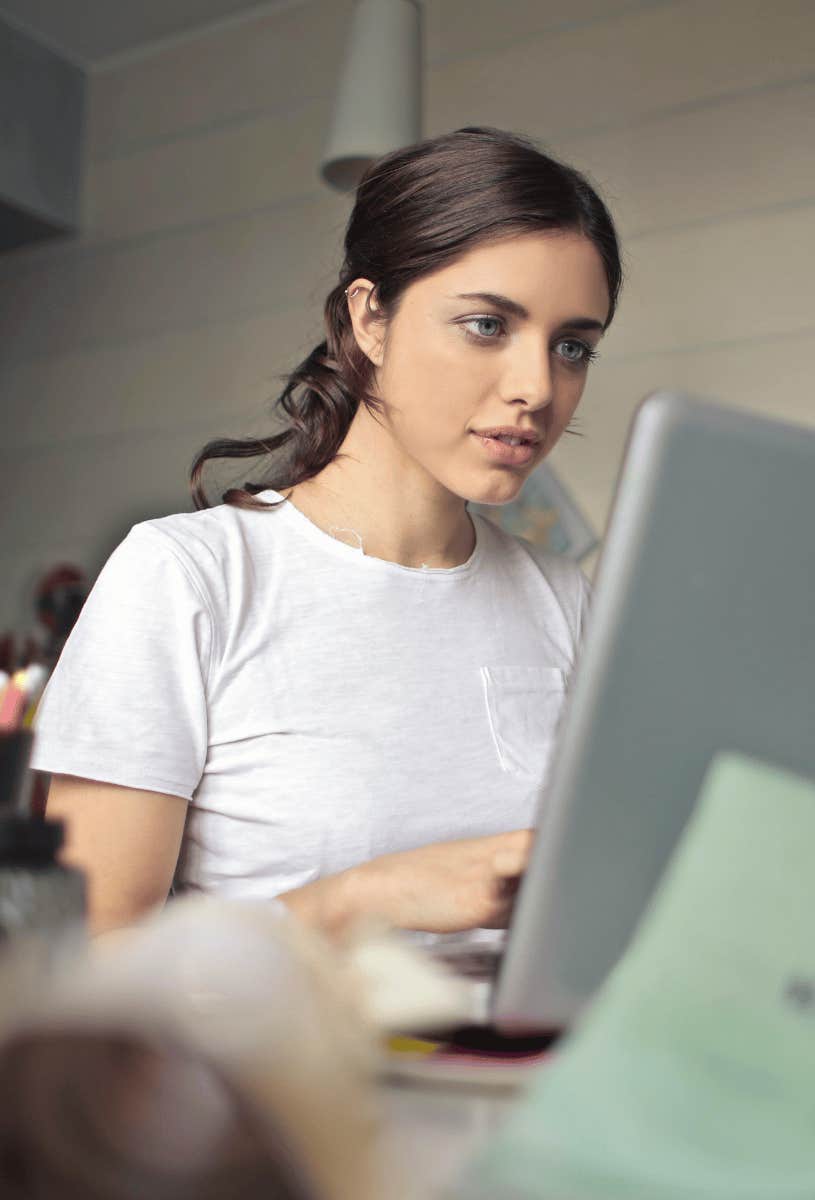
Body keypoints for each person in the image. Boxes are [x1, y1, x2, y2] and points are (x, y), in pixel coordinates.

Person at [34, 126, 622, 939]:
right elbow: (84, 968)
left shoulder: (569, 603)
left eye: (572, 346)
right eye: (487, 325)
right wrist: (355, 901)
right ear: (370, 318)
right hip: (282, 1067)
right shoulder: (187, 577)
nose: (537, 387)